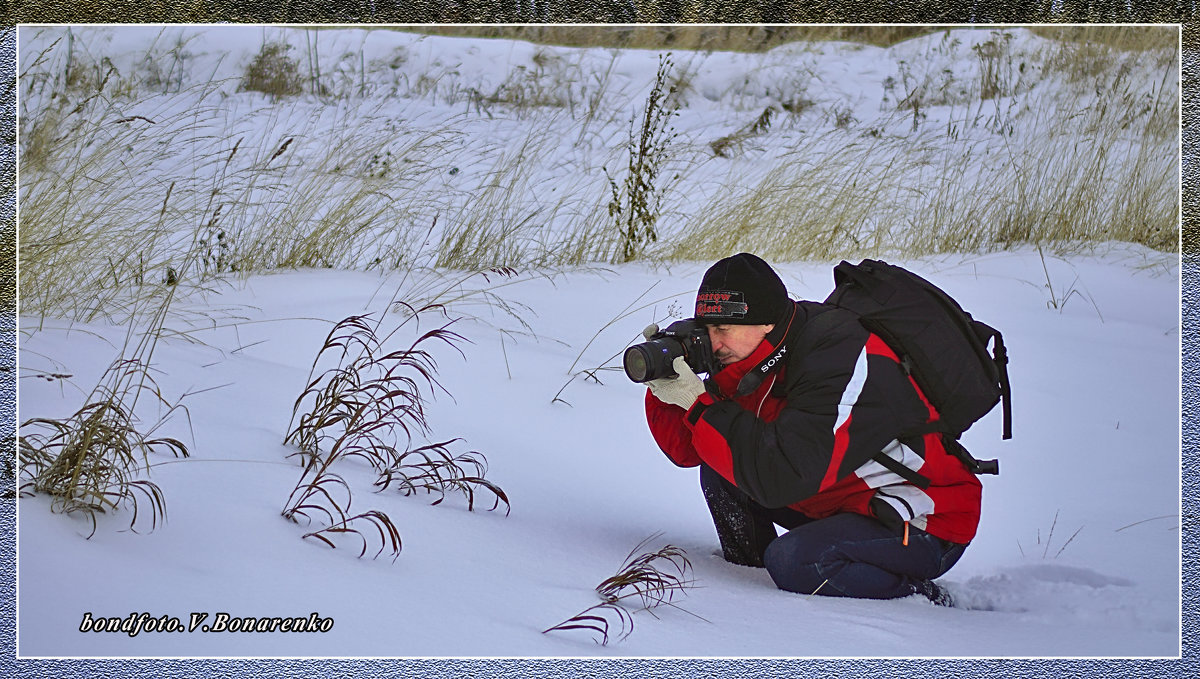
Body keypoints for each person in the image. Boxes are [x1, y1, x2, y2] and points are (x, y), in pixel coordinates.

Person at [641, 252, 980, 605]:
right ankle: (746, 581)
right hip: (835, 501)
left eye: (723, 329)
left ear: (766, 323)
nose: (713, 343)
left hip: (924, 519)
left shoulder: (840, 356)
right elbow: (687, 451)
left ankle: (921, 599)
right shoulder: (749, 355)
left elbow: (786, 474)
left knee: (795, 561)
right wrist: (668, 387)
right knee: (721, 468)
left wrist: (699, 406)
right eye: (706, 330)